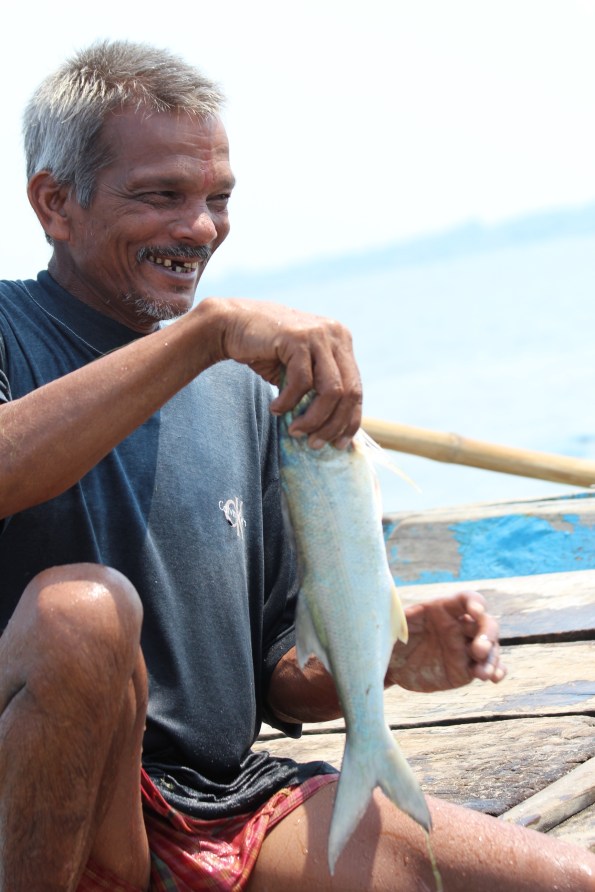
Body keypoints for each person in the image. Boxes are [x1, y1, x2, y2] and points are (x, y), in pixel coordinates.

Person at [0, 40, 592, 892]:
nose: (199, 228)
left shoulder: (242, 394)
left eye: (217, 199)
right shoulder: (23, 330)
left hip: (215, 800)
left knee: (565, 882)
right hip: (40, 803)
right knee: (81, 614)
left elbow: (278, 673)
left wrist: (385, 651)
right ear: (56, 204)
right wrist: (207, 334)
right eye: (160, 196)